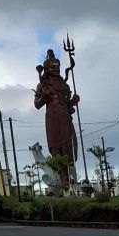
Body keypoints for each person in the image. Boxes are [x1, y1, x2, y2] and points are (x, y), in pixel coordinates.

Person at [34, 49, 80, 184]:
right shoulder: (42, 85)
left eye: (57, 66)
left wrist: (73, 101)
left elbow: (68, 106)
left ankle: (71, 177)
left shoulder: (65, 85)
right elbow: (37, 104)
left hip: (65, 118)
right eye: (52, 66)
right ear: (46, 68)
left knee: (69, 147)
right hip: (52, 118)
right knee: (56, 147)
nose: (55, 68)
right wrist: (45, 96)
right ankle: (62, 178)